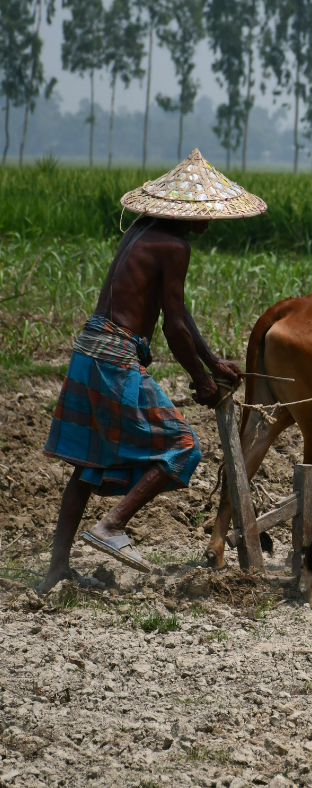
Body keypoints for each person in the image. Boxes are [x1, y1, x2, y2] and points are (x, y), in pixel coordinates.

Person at [40, 149, 267, 592]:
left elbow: (177, 313)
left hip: (90, 348)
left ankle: (56, 570)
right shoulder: (174, 245)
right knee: (183, 447)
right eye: (207, 214)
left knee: (86, 467)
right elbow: (174, 325)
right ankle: (113, 524)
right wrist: (202, 380)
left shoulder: (144, 231)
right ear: (191, 213)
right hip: (115, 358)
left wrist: (210, 360)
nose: (211, 222)